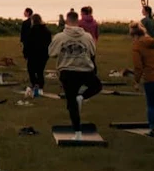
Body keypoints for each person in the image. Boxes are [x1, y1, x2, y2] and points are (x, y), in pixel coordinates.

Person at [48, 10, 102, 140]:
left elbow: (51, 53)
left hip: (67, 72)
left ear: (67, 21)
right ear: (78, 21)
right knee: (97, 86)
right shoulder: (87, 36)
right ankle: (82, 96)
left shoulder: (60, 37)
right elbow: (93, 51)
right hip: (85, 70)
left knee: (71, 103)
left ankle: (77, 133)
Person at [23, 14, 52, 98]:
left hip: (33, 54)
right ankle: (40, 86)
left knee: (31, 70)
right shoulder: (47, 31)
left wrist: (25, 53)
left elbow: (27, 44)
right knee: (40, 71)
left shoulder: (31, 31)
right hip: (43, 54)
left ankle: (35, 84)